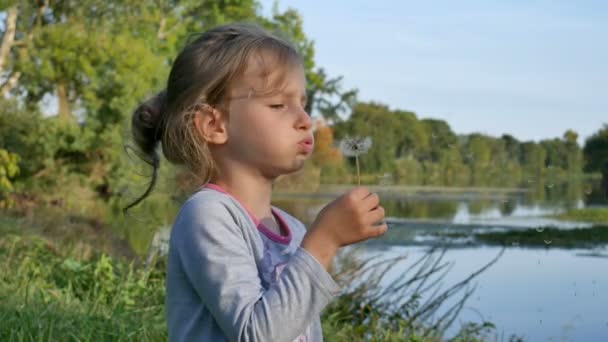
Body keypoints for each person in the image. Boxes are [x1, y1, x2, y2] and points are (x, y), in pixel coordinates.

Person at [127, 23, 388, 342]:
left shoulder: (293, 230)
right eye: (279, 104)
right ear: (214, 125)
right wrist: (325, 241)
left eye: (303, 103)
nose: (305, 120)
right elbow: (258, 335)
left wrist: (318, 241)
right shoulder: (208, 215)